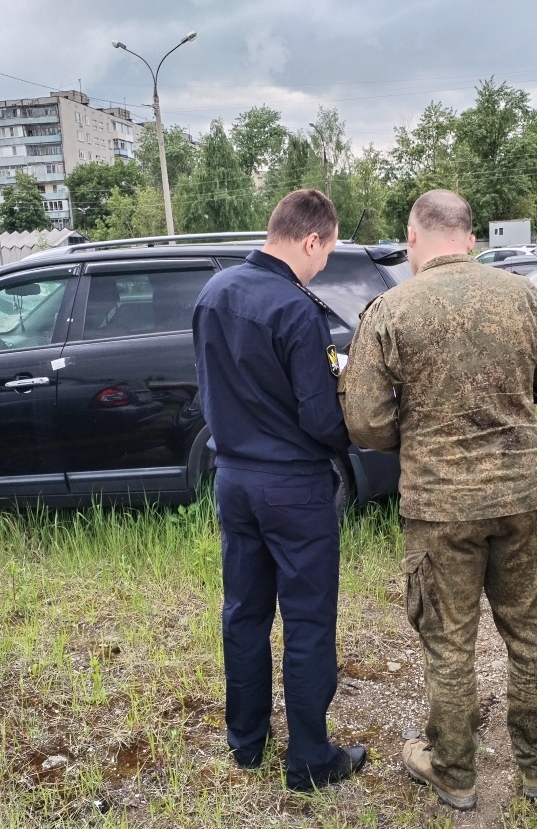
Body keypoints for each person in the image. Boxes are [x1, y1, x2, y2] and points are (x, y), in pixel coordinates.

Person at [340, 189, 537, 811]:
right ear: (470, 237)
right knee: (530, 637)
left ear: (414, 238)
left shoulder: (390, 310)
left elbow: (363, 421)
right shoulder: (524, 297)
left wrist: (412, 432)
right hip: (521, 498)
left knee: (448, 644)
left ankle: (456, 774)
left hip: (440, 508)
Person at [192, 189, 367, 792]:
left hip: (233, 479)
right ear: (309, 239)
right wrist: (355, 433)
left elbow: (208, 389)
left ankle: (247, 742)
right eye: (327, 252)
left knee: (243, 613)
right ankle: (311, 758)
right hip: (293, 486)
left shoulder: (213, 293)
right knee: (308, 619)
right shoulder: (296, 310)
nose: (324, 265)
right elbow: (320, 417)